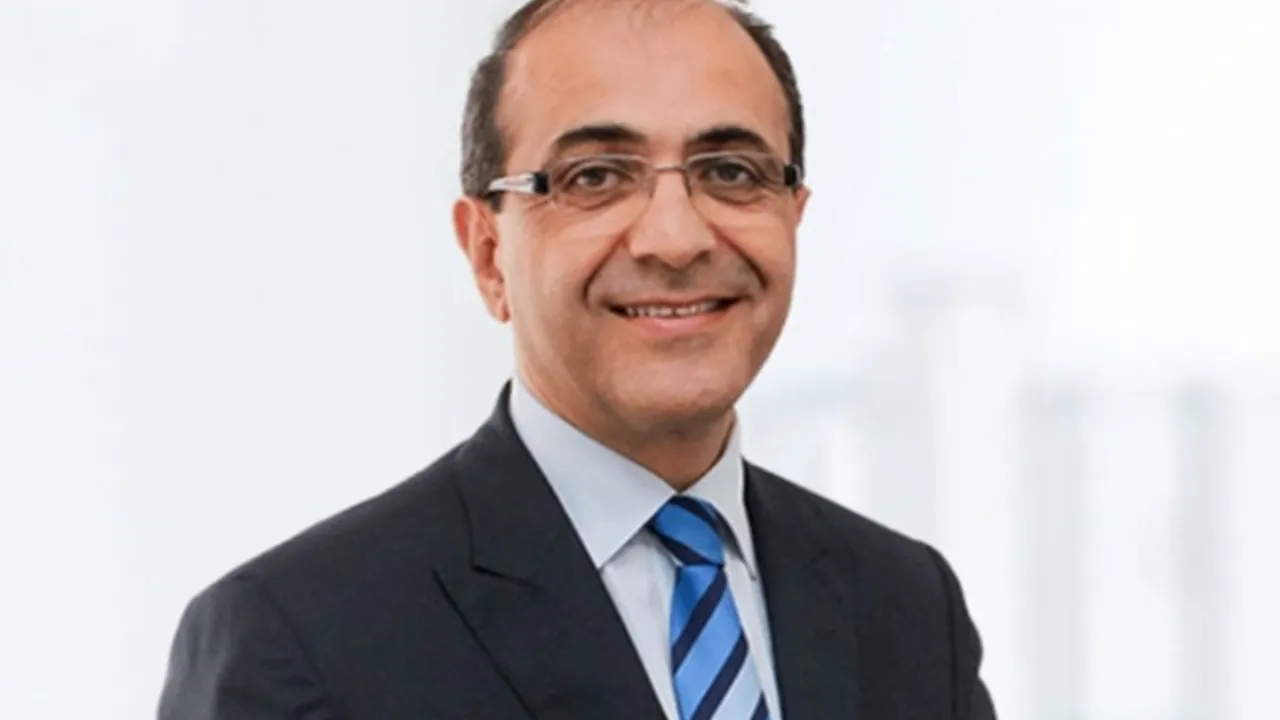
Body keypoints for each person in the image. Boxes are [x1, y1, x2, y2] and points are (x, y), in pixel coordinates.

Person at [158, 0, 997, 717]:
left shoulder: (908, 606)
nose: (675, 238)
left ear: (794, 217)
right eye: (595, 177)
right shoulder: (302, 638)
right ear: (488, 254)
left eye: (731, 171)